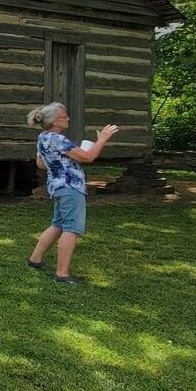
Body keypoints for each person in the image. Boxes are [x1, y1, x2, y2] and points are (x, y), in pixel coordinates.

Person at [25, 102, 119, 285]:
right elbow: (88, 157)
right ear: (54, 121)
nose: (68, 118)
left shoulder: (43, 137)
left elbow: (40, 163)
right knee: (71, 229)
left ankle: (35, 259)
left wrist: (60, 164)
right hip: (70, 188)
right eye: (64, 116)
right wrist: (102, 139)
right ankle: (62, 274)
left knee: (58, 225)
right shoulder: (59, 139)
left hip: (56, 186)